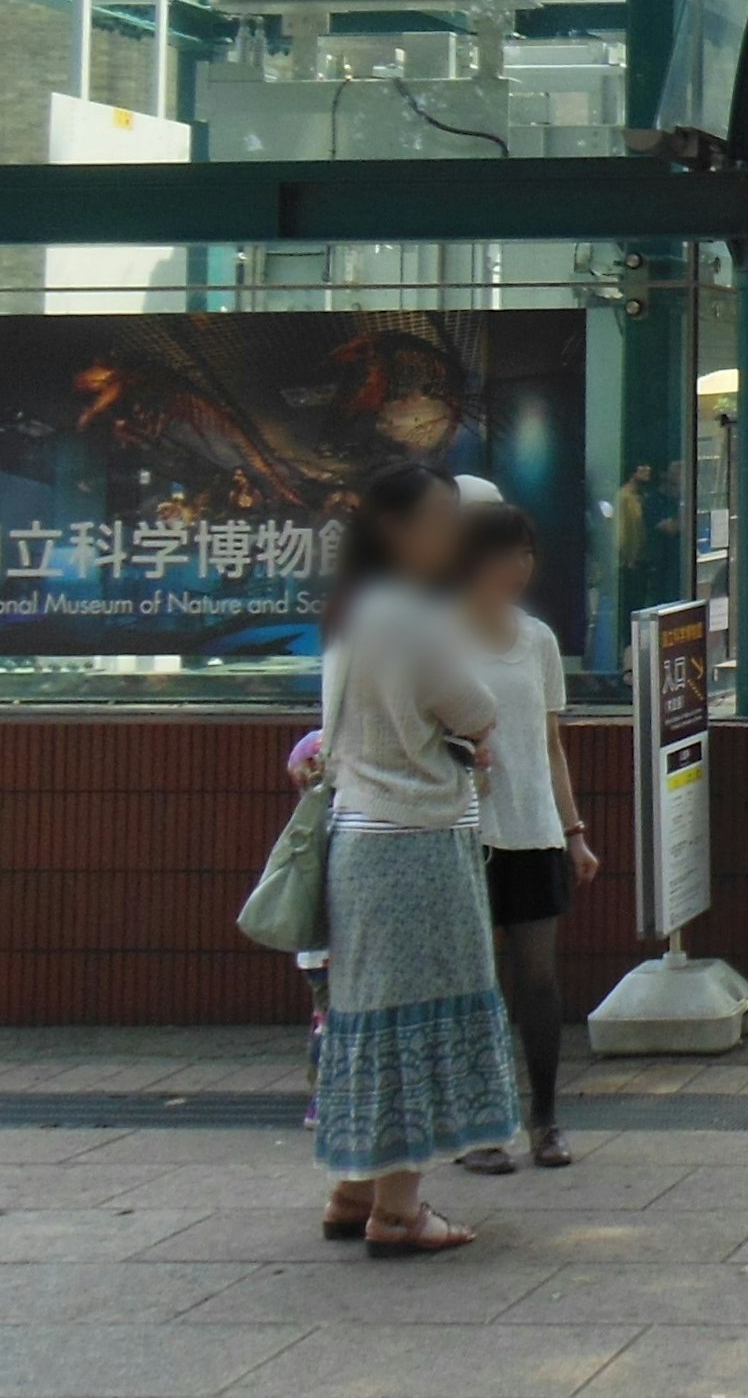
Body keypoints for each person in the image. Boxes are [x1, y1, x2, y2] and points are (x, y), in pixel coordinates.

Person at [308, 460, 525, 1254]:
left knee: (366, 1018)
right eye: (440, 521)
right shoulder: (412, 614)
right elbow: (474, 705)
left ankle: (352, 1184)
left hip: (357, 839)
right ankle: (398, 1209)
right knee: (422, 1020)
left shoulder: (351, 608)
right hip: (419, 843)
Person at [452, 499, 600, 1176]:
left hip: (532, 826)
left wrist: (573, 832)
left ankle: (545, 1117)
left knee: (537, 978)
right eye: (507, 553)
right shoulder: (441, 636)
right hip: (462, 831)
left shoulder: (537, 639)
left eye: (527, 553)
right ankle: (477, 1126)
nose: (521, 566)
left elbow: (550, 744)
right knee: (475, 979)